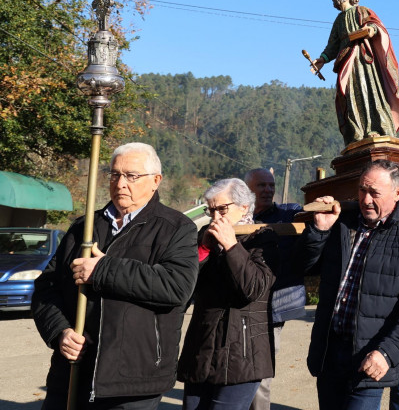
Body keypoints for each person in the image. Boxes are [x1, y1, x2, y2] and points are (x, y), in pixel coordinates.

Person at [32, 142, 199, 410]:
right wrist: (60, 332)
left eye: (132, 176)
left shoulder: (176, 229)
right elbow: (46, 288)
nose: (120, 183)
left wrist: (102, 269)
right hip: (72, 372)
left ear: (156, 181)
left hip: (132, 382)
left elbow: (176, 286)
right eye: (114, 174)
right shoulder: (83, 228)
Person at [300, 159, 399, 409]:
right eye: (362, 190)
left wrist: (387, 353)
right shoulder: (341, 225)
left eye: (375, 193)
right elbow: (306, 268)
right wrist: (319, 231)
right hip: (330, 352)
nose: (365, 200)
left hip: (369, 357)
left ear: (398, 193)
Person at [178, 179, 278, 409]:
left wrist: (232, 246)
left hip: (241, 355)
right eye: (210, 210)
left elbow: (252, 289)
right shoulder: (205, 237)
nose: (215, 217)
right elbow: (185, 287)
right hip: (201, 349)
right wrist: (202, 249)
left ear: (244, 207)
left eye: (222, 209)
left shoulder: (263, 238)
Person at [310, 0, 399, 146]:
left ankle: (376, 129)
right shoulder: (339, 21)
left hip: (364, 61)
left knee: (369, 91)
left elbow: (377, 26)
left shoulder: (362, 11)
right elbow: (332, 45)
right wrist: (322, 59)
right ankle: (357, 134)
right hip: (346, 62)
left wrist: (371, 30)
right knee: (350, 96)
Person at [243, 168, 303, 410]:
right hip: (240, 304)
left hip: (271, 308)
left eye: (271, 185)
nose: (268, 190)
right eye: (261, 186)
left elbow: (307, 216)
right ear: (247, 189)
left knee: (261, 374)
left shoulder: (288, 213)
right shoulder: (237, 216)